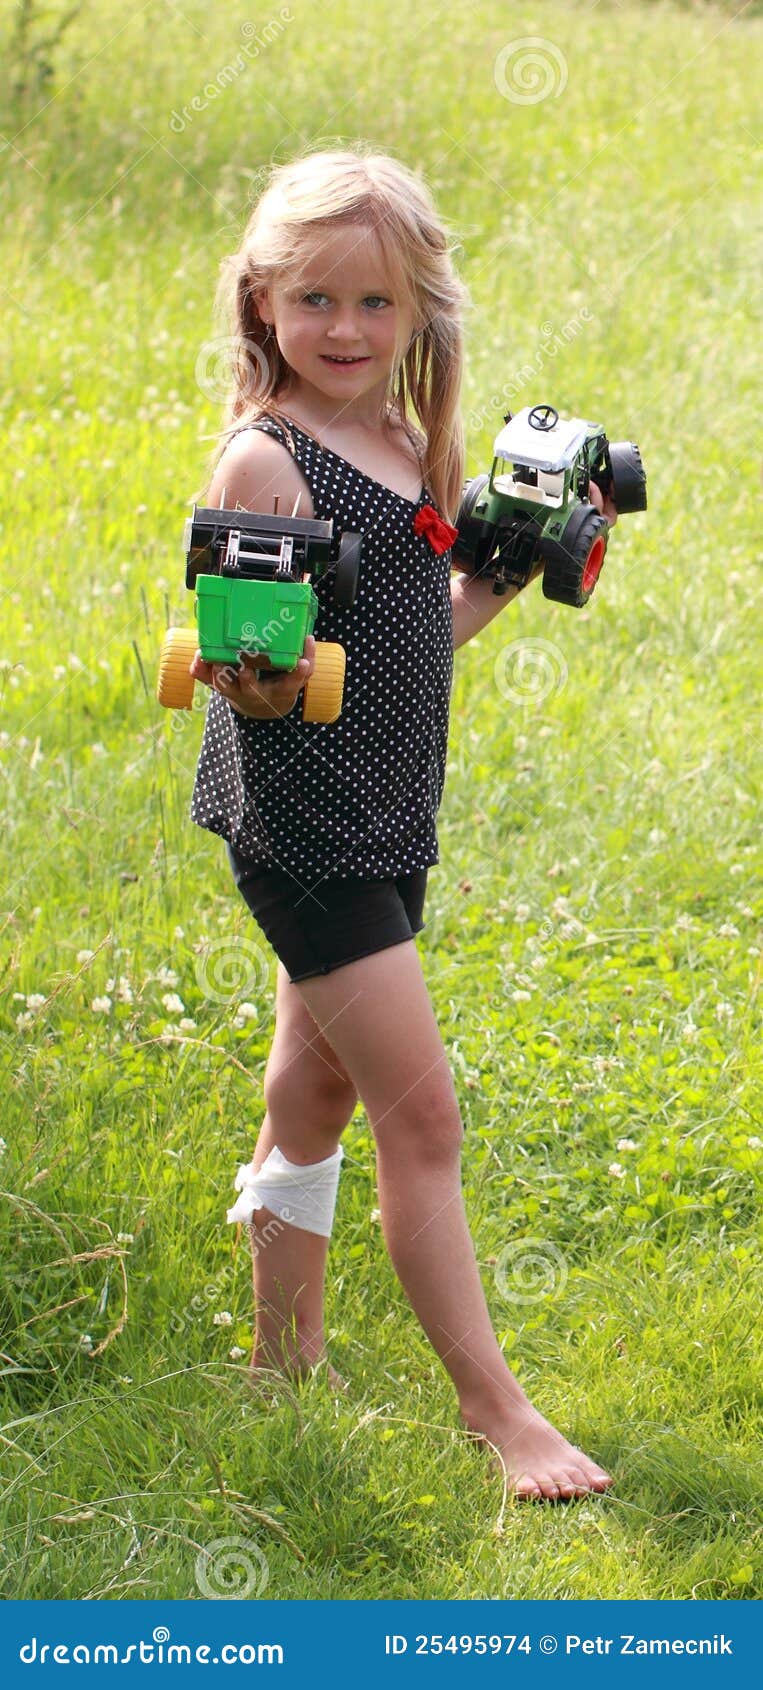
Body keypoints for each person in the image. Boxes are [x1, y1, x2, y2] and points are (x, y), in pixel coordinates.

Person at [187, 145, 617, 1502]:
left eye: (376, 305)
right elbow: (271, 683)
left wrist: (502, 569)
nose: (347, 330)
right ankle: (502, 1418)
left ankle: (281, 1362)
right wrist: (248, 663)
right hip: (309, 833)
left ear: (420, 310)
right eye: (315, 300)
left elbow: (401, 646)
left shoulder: (397, 440)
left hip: (383, 813)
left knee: (308, 1090)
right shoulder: (267, 462)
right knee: (418, 1117)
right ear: (264, 301)